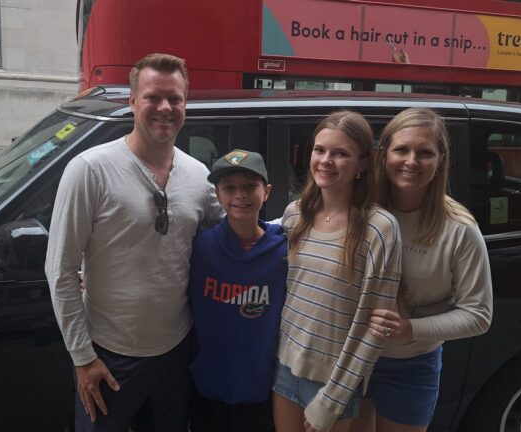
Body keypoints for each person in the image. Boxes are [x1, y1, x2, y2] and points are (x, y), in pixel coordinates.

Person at [44, 53, 223, 432]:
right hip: (109, 356)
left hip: (176, 351)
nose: (165, 108)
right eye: (153, 97)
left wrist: (299, 222)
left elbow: (235, 232)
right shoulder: (89, 170)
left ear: (185, 104)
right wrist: (82, 358)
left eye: (174, 99)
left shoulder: (198, 175)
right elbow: (59, 270)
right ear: (132, 101)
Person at [350, 107, 493, 432]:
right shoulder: (357, 209)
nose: (411, 161)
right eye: (401, 149)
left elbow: (479, 315)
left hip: (411, 366)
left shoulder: (460, 229)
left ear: (441, 160)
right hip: (352, 356)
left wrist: (409, 329)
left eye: (425, 152)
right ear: (383, 155)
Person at [273, 110, 403, 432]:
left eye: (341, 153)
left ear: (362, 163)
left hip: (334, 381)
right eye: (320, 150)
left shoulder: (380, 229)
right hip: (284, 367)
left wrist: (333, 399)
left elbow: (374, 328)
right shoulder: (294, 215)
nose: (326, 161)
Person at [188, 149, 288, 432]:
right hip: (208, 379)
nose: (240, 195)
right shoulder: (199, 247)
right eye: (229, 188)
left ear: (266, 192)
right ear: (217, 195)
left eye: (249, 186)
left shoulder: (285, 251)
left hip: (259, 383)